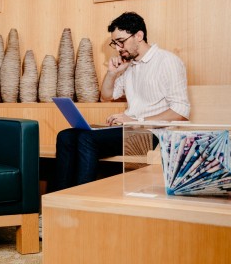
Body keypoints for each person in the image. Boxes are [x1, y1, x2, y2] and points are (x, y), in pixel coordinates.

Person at [50, 12, 190, 192]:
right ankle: (60, 202)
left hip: (156, 134)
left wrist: (135, 120)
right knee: (66, 136)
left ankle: (81, 203)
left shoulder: (168, 62)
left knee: (86, 139)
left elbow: (181, 112)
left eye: (121, 41)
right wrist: (112, 73)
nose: (117, 48)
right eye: (114, 43)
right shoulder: (130, 66)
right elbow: (106, 96)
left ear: (138, 36)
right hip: (131, 129)